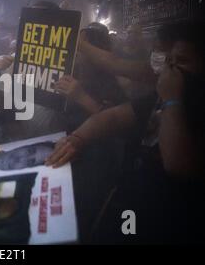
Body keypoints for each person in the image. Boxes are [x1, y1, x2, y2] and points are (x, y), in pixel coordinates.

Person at [45, 20, 205, 243]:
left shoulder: (174, 94)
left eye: (182, 61)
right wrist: (77, 138)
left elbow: (176, 162)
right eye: (167, 59)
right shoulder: (161, 91)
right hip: (132, 202)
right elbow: (114, 116)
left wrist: (172, 100)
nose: (170, 69)